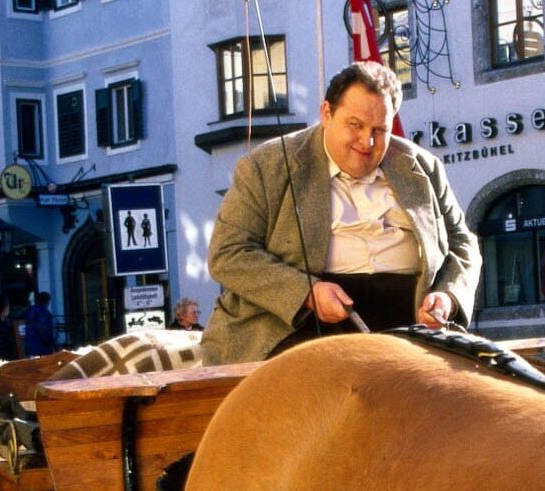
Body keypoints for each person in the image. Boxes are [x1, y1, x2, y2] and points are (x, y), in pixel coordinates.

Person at [201, 61, 480, 364]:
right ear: (326, 114)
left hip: (409, 328)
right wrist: (307, 293)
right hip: (294, 329)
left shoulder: (422, 167)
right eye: (355, 125)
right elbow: (228, 254)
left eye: (380, 130)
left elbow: (463, 244)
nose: (367, 141)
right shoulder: (265, 166)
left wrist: (447, 296)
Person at [23, 291, 57, 357]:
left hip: (30, 347)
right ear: (47, 301)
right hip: (41, 349)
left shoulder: (30, 310)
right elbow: (44, 331)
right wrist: (52, 344)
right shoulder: (44, 313)